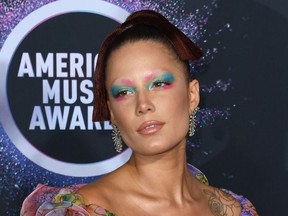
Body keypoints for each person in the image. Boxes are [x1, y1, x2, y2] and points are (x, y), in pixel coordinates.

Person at [21, 10, 258, 216]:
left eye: (158, 84)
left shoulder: (235, 210)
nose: (143, 104)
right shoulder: (79, 211)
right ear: (112, 113)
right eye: (124, 92)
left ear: (192, 95)